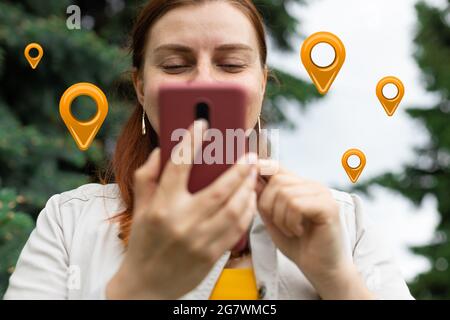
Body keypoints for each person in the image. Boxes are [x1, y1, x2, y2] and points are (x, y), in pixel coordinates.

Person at [4, 0, 413, 300]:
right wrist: (139, 289)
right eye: (176, 65)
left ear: (262, 84)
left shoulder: (344, 222)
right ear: (142, 88)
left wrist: (337, 277)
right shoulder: (69, 222)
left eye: (232, 64)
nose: (205, 83)